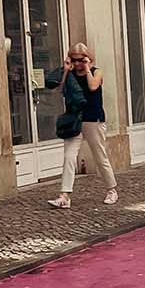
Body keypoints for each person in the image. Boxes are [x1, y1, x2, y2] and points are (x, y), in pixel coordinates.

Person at [45, 43, 119, 209]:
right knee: (69, 156)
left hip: (93, 119)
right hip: (74, 120)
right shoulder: (70, 73)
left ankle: (112, 190)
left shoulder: (96, 72)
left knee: (100, 156)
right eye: (74, 60)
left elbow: (93, 86)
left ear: (87, 59)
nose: (77, 63)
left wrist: (86, 68)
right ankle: (64, 195)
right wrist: (65, 70)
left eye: (80, 60)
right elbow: (61, 90)